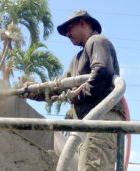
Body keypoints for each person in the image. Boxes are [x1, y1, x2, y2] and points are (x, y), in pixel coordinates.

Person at [24, 10, 125, 170]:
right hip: (86, 121)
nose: (68, 34)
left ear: (83, 23)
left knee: (92, 167)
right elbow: (59, 89)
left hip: (101, 117)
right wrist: (33, 92)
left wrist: (78, 95)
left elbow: (103, 72)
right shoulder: (77, 60)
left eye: (69, 29)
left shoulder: (97, 41)